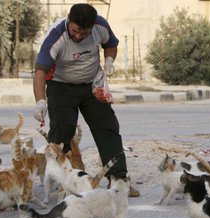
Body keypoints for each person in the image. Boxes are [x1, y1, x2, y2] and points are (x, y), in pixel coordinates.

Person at [32, 3, 139, 197]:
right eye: (75, 31)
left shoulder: (100, 25)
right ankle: (59, 181)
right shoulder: (56, 36)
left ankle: (119, 180)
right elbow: (40, 72)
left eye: (84, 33)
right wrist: (41, 101)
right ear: (68, 21)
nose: (79, 36)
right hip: (61, 86)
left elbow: (111, 44)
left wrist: (109, 60)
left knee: (107, 127)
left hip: (92, 85)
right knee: (62, 130)